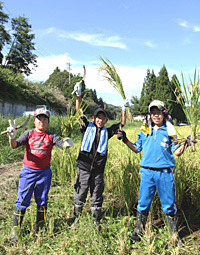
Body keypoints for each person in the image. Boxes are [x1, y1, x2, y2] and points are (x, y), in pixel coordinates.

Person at [117, 100, 187, 243]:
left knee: (169, 203)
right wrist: (125, 139)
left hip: (165, 173)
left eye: (159, 113)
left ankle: (174, 234)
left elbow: (177, 152)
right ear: (150, 115)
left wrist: (185, 143)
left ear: (164, 114)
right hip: (147, 173)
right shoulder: (144, 132)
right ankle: (138, 230)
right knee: (143, 202)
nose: (156, 116)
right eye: (153, 113)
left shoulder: (170, 131)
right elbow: (137, 148)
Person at [6, 106, 73, 242]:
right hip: (28, 172)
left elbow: (62, 145)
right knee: (22, 199)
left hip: (44, 172)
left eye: (44, 119)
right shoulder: (28, 133)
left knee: (42, 199)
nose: (41, 121)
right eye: (39, 119)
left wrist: (67, 144)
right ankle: (15, 228)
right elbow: (14, 145)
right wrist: (11, 137)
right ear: (34, 121)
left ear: (48, 121)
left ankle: (40, 226)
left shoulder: (51, 136)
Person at [72, 78, 129, 227]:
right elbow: (78, 113)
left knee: (97, 193)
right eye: (98, 117)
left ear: (106, 120)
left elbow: (121, 124)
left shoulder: (107, 132)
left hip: (98, 169)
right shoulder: (86, 127)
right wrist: (78, 96)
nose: (100, 120)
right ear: (93, 118)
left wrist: (124, 109)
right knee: (81, 191)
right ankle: (76, 218)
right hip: (84, 167)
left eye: (103, 118)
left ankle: (96, 220)